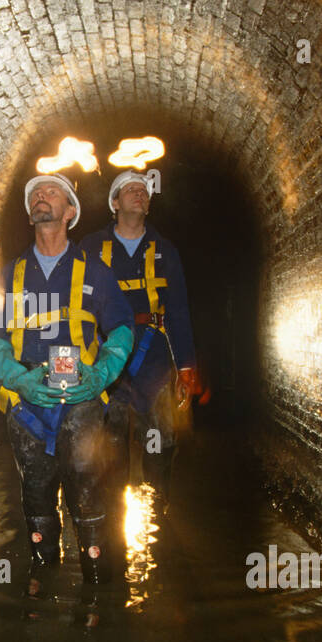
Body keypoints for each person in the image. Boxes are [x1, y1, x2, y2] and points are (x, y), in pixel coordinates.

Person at [0, 173, 134, 584]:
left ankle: (98, 589)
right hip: (27, 402)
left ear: (69, 212)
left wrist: (102, 372)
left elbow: (121, 327)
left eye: (51, 193)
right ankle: (42, 579)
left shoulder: (95, 272)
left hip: (80, 399)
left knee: (86, 491)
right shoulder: (9, 275)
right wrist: (17, 378)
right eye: (35, 193)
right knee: (36, 494)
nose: (40, 197)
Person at [79, 170, 204, 504]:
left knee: (159, 442)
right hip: (107, 362)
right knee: (111, 445)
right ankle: (113, 518)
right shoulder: (90, 248)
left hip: (156, 361)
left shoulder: (166, 251)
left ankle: (157, 509)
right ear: (115, 203)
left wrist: (187, 366)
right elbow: (75, 306)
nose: (140, 194)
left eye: (144, 191)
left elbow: (177, 310)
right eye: (130, 190)